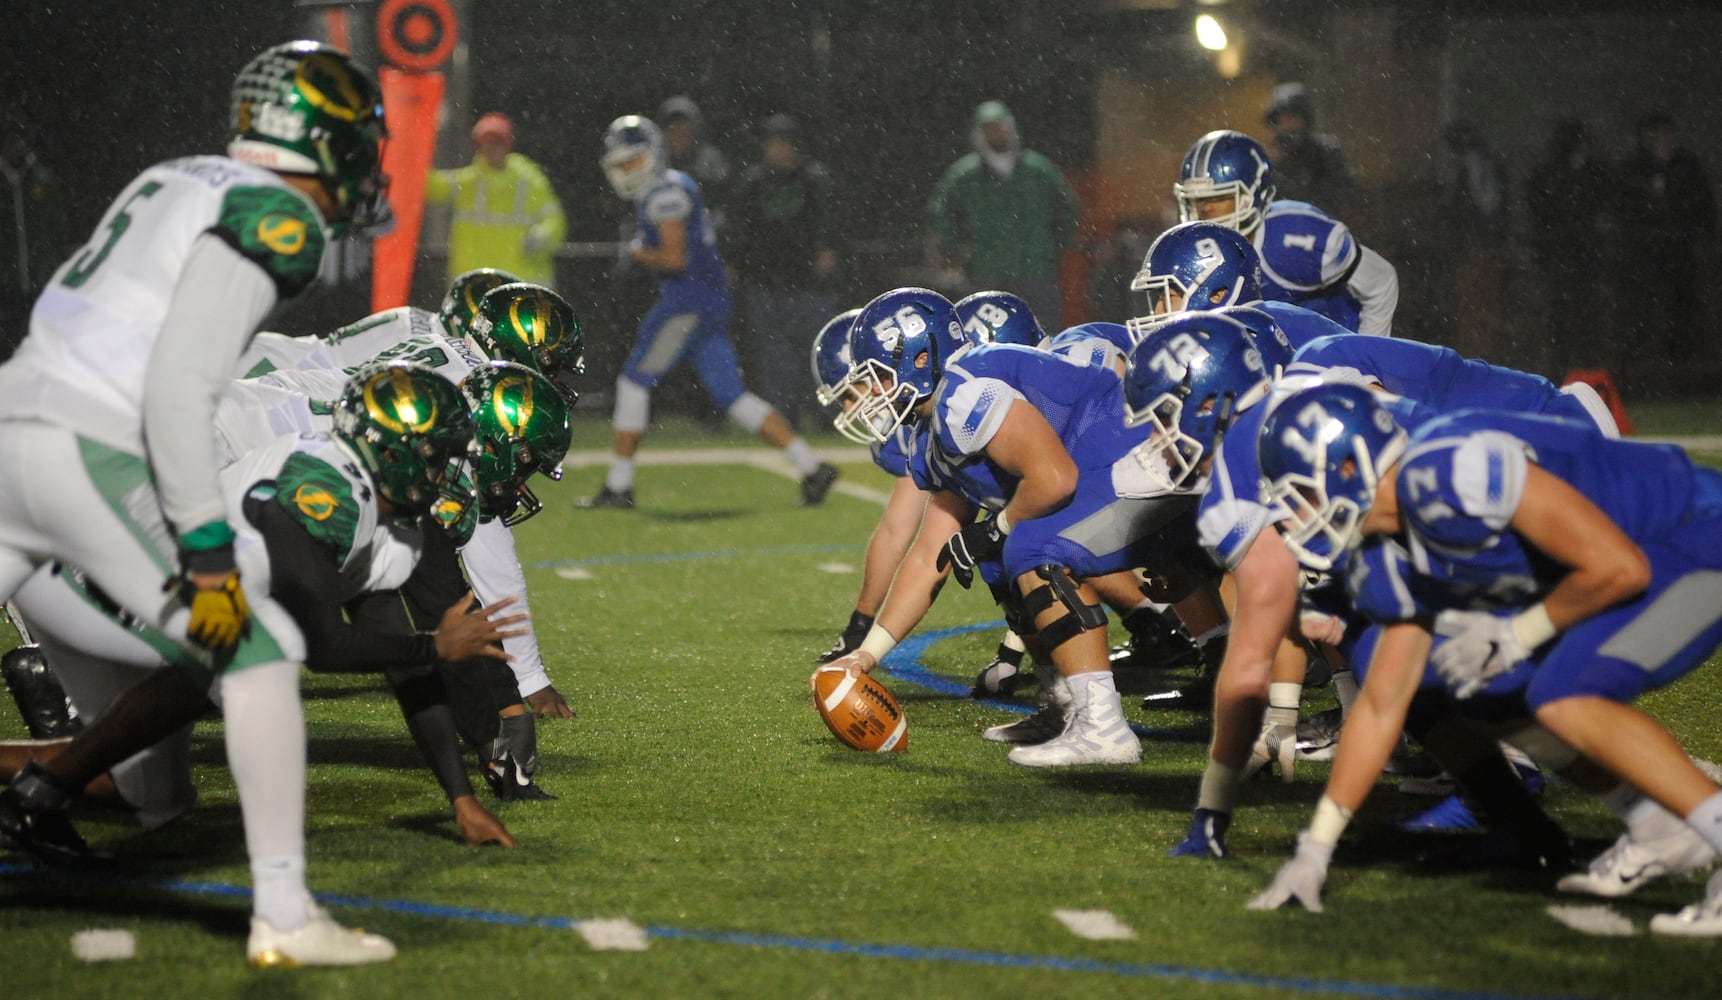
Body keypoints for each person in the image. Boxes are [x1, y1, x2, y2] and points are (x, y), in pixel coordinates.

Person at [0, 40, 399, 966]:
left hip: (11, 414)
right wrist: (209, 556)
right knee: (257, 656)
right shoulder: (279, 217)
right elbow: (177, 390)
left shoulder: (177, 175)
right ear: (328, 135)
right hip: (78, 449)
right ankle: (287, 915)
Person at [1247, 383, 1722, 935]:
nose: (1292, 516)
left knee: (1562, 692)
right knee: (1472, 686)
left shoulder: (1450, 471)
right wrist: (1316, 848)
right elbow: (1381, 705)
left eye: (1301, 492)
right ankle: (1653, 822)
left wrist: (1519, 634)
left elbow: (1619, 568)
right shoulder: (1378, 553)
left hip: (1690, 535)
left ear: (1350, 469)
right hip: (1606, 569)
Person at [2, 362, 521, 852]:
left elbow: (399, 660)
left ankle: (37, 795)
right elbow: (324, 645)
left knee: (143, 789)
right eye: (436, 455)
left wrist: (461, 798)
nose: (445, 472)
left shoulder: (390, 526)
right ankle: (41, 799)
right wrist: (438, 643)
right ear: (393, 452)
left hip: (150, 599)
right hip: (90, 588)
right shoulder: (323, 488)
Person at [826, 287, 1221, 767]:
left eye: (877, 378)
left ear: (919, 358)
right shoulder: (933, 431)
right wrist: (865, 656)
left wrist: (999, 528)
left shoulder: (964, 392)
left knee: (1029, 545)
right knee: (994, 554)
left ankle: (1103, 728)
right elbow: (932, 552)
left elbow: (1054, 479)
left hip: (1147, 455)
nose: (871, 394)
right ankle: (1068, 704)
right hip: (1113, 472)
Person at [582, 114, 837, 510]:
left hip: (689, 301)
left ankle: (619, 486)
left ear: (652, 155)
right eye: (622, 163)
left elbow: (674, 256)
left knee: (633, 382)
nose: (626, 170)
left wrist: (636, 252)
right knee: (732, 396)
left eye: (632, 160)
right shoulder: (668, 187)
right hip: (707, 299)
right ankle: (812, 466)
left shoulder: (665, 192)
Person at [1174, 129, 1397, 335]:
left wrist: (1365, 361)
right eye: (1197, 201)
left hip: (1330, 359)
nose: (1205, 210)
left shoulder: (1292, 238)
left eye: (1219, 198)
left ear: (1253, 196)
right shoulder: (1190, 255)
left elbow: (1381, 282)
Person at [727, 114, 841, 429]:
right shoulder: (752, 184)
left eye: (784, 144)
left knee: (818, 354)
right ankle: (785, 418)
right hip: (766, 283)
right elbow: (738, 230)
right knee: (775, 359)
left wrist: (829, 252)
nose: (778, 151)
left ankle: (825, 417)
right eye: (773, 144)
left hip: (808, 285)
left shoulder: (815, 181)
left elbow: (834, 224)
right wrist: (736, 265)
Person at [929, 100, 1079, 329]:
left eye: (1000, 126)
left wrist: (1052, 245)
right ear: (979, 134)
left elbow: (1069, 208)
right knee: (988, 335)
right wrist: (958, 250)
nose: (997, 133)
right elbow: (940, 212)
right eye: (989, 128)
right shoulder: (965, 175)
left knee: (1043, 330)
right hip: (987, 272)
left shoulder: (1037, 169)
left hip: (1036, 271)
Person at [1613, 112, 1717, 395]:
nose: (1664, 141)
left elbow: (1702, 207)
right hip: (1644, 257)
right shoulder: (1634, 170)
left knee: (1682, 318)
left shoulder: (1687, 167)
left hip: (1679, 254)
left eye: (1667, 135)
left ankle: (1684, 384)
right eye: (1657, 136)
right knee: (1640, 319)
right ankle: (1634, 384)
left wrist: (1696, 239)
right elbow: (1623, 210)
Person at [424, 113, 566, 290]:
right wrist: (417, 144)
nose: (491, 149)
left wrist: (542, 237)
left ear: (507, 145)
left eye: (496, 143)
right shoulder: (468, 182)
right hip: (476, 285)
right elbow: (430, 186)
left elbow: (554, 221)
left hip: (522, 284)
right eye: (485, 144)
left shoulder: (529, 182)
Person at [1526, 120, 1613, 368]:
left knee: (1581, 314)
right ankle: (1564, 367)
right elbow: (1544, 209)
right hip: (1563, 253)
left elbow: (1598, 200)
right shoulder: (1553, 173)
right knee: (1564, 315)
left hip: (1577, 253)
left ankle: (1583, 367)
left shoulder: (1583, 172)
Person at [0, 111, 61, 360]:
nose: (17, 146)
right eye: (11, 141)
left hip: (39, 281)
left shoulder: (41, 179)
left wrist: (52, 264)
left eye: (21, 140)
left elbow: (56, 227)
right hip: (6, 285)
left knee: (37, 348)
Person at [1263, 83, 1353, 215]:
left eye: (1293, 118)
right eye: (1282, 120)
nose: (1287, 125)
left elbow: (1338, 196)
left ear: (1305, 120)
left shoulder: (1326, 155)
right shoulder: (1273, 163)